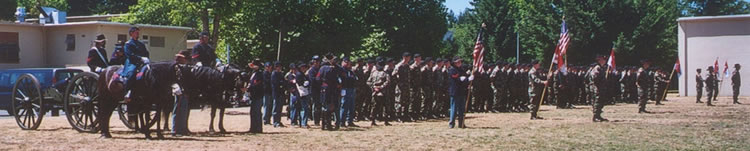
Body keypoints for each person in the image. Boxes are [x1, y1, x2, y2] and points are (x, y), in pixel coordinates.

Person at [318, 53, 343, 130]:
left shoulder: (323, 68)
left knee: (327, 107)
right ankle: (327, 124)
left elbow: (318, 78)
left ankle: (324, 124)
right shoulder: (329, 68)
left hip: (327, 89)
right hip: (330, 89)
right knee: (328, 107)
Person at [171, 50, 191, 137]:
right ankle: (174, 129)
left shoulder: (185, 67)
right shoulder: (175, 67)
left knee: (184, 111)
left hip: (184, 91)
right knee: (177, 110)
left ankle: (182, 129)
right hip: (178, 91)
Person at [448, 57, 471, 128]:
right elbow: (456, 78)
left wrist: (469, 78)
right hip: (455, 91)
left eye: (460, 62)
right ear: (454, 63)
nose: (459, 63)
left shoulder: (461, 69)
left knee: (461, 109)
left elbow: (464, 78)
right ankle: (452, 123)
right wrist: (463, 79)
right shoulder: (452, 69)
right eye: (457, 62)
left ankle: (461, 123)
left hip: (461, 91)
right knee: (454, 108)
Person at [368, 58, 392, 126]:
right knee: (375, 106)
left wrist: (380, 87)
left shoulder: (385, 73)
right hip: (376, 92)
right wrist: (374, 88)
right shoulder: (374, 73)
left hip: (383, 92)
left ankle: (386, 120)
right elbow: (368, 81)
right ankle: (373, 120)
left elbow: (387, 82)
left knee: (386, 106)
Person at [245, 59, 265, 133]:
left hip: (258, 94)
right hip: (253, 95)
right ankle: (253, 128)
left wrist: (248, 89)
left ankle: (258, 128)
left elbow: (255, 84)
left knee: (257, 112)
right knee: (253, 112)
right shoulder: (253, 73)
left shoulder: (259, 74)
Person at [339, 57, 358, 127]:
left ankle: (350, 121)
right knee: (344, 105)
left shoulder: (350, 71)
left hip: (352, 89)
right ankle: (342, 122)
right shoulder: (341, 70)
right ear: (343, 62)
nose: (347, 64)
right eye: (346, 62)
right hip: (345, 89)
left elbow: (355, 78)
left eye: (348, 62)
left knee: (351, 106)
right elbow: (343, 79)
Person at [393, 52, 412, 122]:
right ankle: (398, 116)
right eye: (408, 57)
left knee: (406, 101)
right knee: (399, 101)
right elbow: (393, 75)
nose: (409, 59)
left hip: (406, 86)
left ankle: (405, 115)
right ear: (404, 57)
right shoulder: (399, 66)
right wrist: (399, 83)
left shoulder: (407, 65)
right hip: (400, 87)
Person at [592, 55, 610, 122]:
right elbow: (595, 78)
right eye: (603, 60)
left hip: (601, 88)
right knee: (597, 102)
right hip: (598, 88)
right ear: (599, 60)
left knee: (601, 102)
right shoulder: (597, 68)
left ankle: (599, 115)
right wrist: (600, 83)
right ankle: (595, 116)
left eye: (605, 60)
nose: (604, 61)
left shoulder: (602, 68)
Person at [295, 63, 312, 128]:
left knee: (303, 108)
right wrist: (306, 84)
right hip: (301, 93)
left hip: (304, 93)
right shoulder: (299, 75)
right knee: (304, 108)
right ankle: (303, 123)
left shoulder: (303, 74)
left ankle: (302, 122)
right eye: (303, 67)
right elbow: (300, 84)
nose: (304, 68)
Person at [271, 61, 286, 127]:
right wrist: (281, 84)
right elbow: (275, 84)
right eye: (278, 66)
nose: (280, 68)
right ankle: (275, 122)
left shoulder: (281, 74)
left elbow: (284, 82)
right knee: (276, 108)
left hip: (281, 93)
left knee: (280, 108)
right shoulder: (274, 74)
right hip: (276, 93)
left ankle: (278, 120)